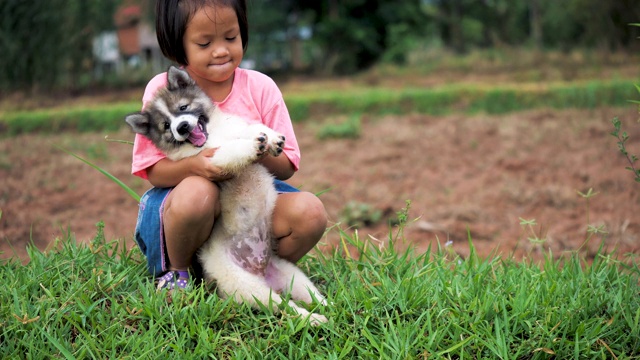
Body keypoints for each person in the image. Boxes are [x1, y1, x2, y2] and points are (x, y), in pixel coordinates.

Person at [131, 0, 327, 290]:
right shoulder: (166, 89)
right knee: (199, 192)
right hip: (192, 210)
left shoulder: (260, 87)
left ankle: (250, 271)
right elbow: (153, 171)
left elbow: (286, 166)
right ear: (178, 43)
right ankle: (179, 271)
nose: (221, 50)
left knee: (310, 213)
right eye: (204, 42)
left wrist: (255, 149)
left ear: (243, 31)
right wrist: (196, 166)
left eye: (230, 37)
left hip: (248, 196)